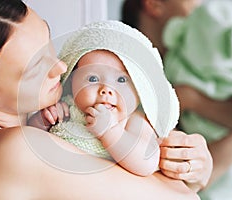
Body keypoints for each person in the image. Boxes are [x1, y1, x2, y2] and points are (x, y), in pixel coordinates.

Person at [0, 0, 211, 199]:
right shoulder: (12, 151)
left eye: (47, 40)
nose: (60, 66)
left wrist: (189, 167)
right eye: (35, 67)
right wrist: (195, 178)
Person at [122, 0, 232, 199]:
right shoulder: (129, 87)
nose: (199, 3)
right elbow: (191, 178)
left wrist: (194, 100)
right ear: (154, 4)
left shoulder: (210, 48)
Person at [29, 20, 180, 177]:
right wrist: (43, 120)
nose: (106, 90)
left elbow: (147, 162)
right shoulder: (66, 108)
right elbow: (28, 140)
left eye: (121, 80)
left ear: (139, 88)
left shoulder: (134, 120)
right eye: (93, 79)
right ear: (72, 82)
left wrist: (111, 132)